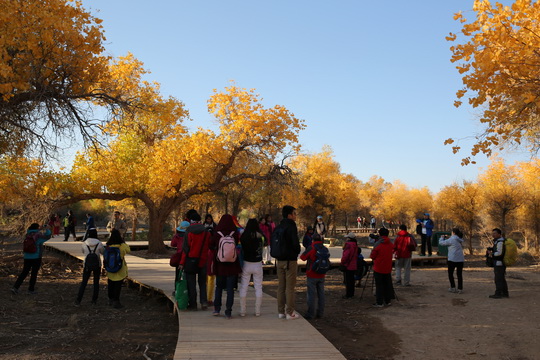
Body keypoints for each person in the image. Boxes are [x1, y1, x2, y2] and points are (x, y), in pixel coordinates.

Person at [210, 214, 242, 318]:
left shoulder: (217, 233)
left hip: (220, 265)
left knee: (218, 287)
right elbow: (236, 243)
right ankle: (228, 311)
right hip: (232, 265)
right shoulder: (234, 233)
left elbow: (210, 245)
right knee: (230, 289)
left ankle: (217, 309)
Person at [275, 205, 301, 320]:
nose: (295, 216)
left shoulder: (278, 227)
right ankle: (290, 312)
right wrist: (297, 251)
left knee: (281, 286)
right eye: (294, 213)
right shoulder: (291, 226)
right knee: (290, 287)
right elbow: (295, 243)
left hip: (279, 260)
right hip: (290, 260)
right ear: (289, 215)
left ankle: (280, 312)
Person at [180, 210, 211, 311]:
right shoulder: (206, 232)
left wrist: (181, 263)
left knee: (191, 283)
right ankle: (204, 302)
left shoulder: (189, 232)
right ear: (200, 220)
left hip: (190, 260)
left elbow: (185, 249)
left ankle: (193, 304)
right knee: (202, 283)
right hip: (203, 260)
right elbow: (209, 246)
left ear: (191, 221)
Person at [11, 223, 52, 294]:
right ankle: (31, 289)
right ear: (37, 228)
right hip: (36, 257)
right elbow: (48, 236)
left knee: (24, 272)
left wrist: (40, 229)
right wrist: (47, 229)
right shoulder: (38, 236)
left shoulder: (27, 234)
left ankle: (15, 287)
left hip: (27, 257)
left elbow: (32, 231)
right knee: (34, 273)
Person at [239, 218, 264, 317]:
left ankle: (243, 311)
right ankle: (257, 311)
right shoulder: (260, 236)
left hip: (247, 263)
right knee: (258, 287)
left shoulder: (244, 236)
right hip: (258, 263)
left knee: (244, 286)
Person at [300, 233, 327, 319]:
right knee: (321, 294)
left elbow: (302, 257)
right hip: (321, 273)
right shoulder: (324, 248)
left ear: (313, 240)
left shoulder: (311, 248)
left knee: (311, 294)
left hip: (312, 273)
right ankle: (320, 312)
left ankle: (310, 313)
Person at [75, 228, 104, 305]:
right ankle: (94, 300)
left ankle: (78, 300)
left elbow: (83, 251)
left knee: (84, 282)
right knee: (96, 282)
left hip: (87, 265)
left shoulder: (84, 243)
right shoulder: (99, 243)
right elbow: (103, 252)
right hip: (97, 264)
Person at [105, 229, 130, 309]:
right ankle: (116, 301)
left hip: (110, 268)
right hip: (120, 268)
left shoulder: (108, 246)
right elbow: (128, 250)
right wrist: (123, 241)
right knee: (117, 285)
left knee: (111, 284)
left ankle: (110, 299)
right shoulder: (122, 246)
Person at [370, 228, 394, 307]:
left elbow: (373, 256)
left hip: (379, 267)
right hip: (388, 266)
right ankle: (387, 300)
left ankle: (379, 302)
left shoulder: (378, 244)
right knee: (387, 284)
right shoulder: (390, 243)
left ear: (380, 234)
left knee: (379, 285)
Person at [439, 228, 465, 294]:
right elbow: (454, 239)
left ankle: (453, 287)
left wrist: (441, 238)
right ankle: (460, 288)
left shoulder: (451, 239)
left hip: (452, 259)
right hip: (460, 259)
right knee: (459, 274)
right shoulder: (459, 239)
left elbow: (441, 243)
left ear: (453, 232)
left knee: (450, 273)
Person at [488, 228, 509, 299]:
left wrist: (491, 254)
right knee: (501, 278)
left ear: (499, 234)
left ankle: (498, 293)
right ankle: (505, 293)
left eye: (495, 233)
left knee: (498, 279)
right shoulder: (499, 241)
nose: (493, 235)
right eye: (493, 233)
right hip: (500, 263)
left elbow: (499, 253)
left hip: (499, 263)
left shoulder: (500, 242)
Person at [171, 221, 189, 287]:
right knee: (187, 276)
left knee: (178, 274)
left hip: (179, 256)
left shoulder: (177, 236)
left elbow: (173, 244)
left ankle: (176, 290)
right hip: (188, 257)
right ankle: (186, 290)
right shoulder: (189, 236)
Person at [340, 232, 358, 299]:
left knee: (347, 280)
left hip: (348, 265)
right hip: (353, 264)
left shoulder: (348, 245)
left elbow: (346, 255)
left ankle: (348, 294)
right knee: (352, 280)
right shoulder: (355, 245)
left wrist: (342, 262)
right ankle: (351, 293)